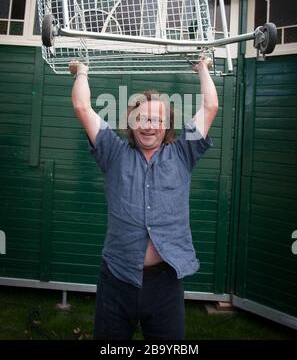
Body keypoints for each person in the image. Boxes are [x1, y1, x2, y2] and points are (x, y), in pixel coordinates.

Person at [69, 56, 218, 340]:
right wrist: (82, 71)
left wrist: (202, 68)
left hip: (165, 282)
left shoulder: (182, 153)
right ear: (132, 122)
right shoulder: (113, 152)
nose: (149, 126)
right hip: (117, 278)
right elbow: (81, 107)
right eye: (142, 119)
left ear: (167, 125)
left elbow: (210, 107)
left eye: (156, 120)